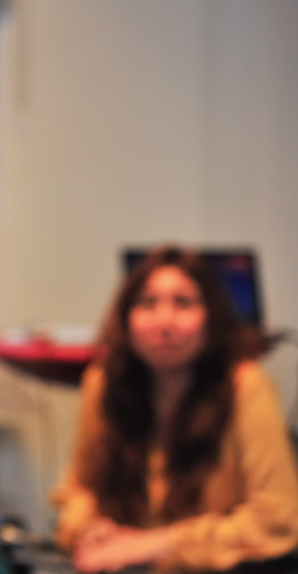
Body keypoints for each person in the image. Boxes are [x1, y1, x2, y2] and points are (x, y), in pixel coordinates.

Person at [52, 245, 298, 573]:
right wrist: (89, 529)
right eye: (147, 303)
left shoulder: (246, 386)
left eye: (183, 303)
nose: (164, 322)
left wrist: (157, 544)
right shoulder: (104, 382)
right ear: (125, 316)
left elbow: (277, 520)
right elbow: (80, 488)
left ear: (213, 316)